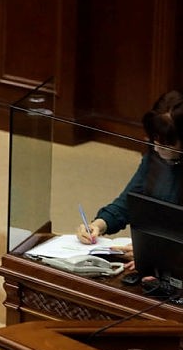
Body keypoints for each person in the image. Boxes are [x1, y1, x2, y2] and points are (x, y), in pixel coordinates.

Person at [77, 90, 183, 258]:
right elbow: (129, 202)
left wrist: (155, 252)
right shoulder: (155, 157)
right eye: (154, 141)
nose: (156, 149)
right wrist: (98, 225)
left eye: (165, 145)